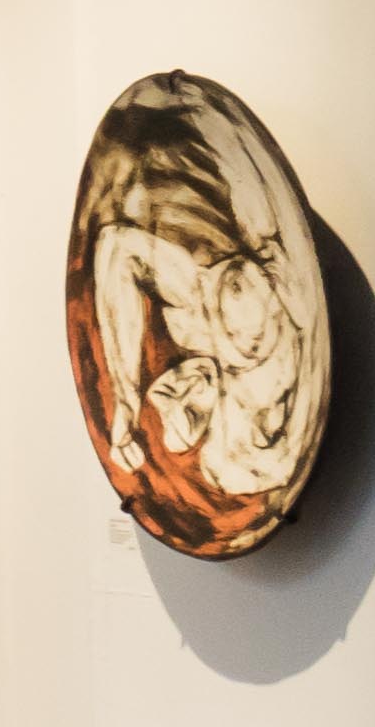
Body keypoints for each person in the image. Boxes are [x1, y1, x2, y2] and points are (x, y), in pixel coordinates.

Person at [80, 94, 320, 511]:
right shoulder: (237, 333)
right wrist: (127, 402)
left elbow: (117, 248)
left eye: (171, 400)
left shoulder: (214, 328)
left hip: (168, 137)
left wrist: (126, 400)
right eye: (198, 416)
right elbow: (118, 248)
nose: (180, 387)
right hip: (188, 131)